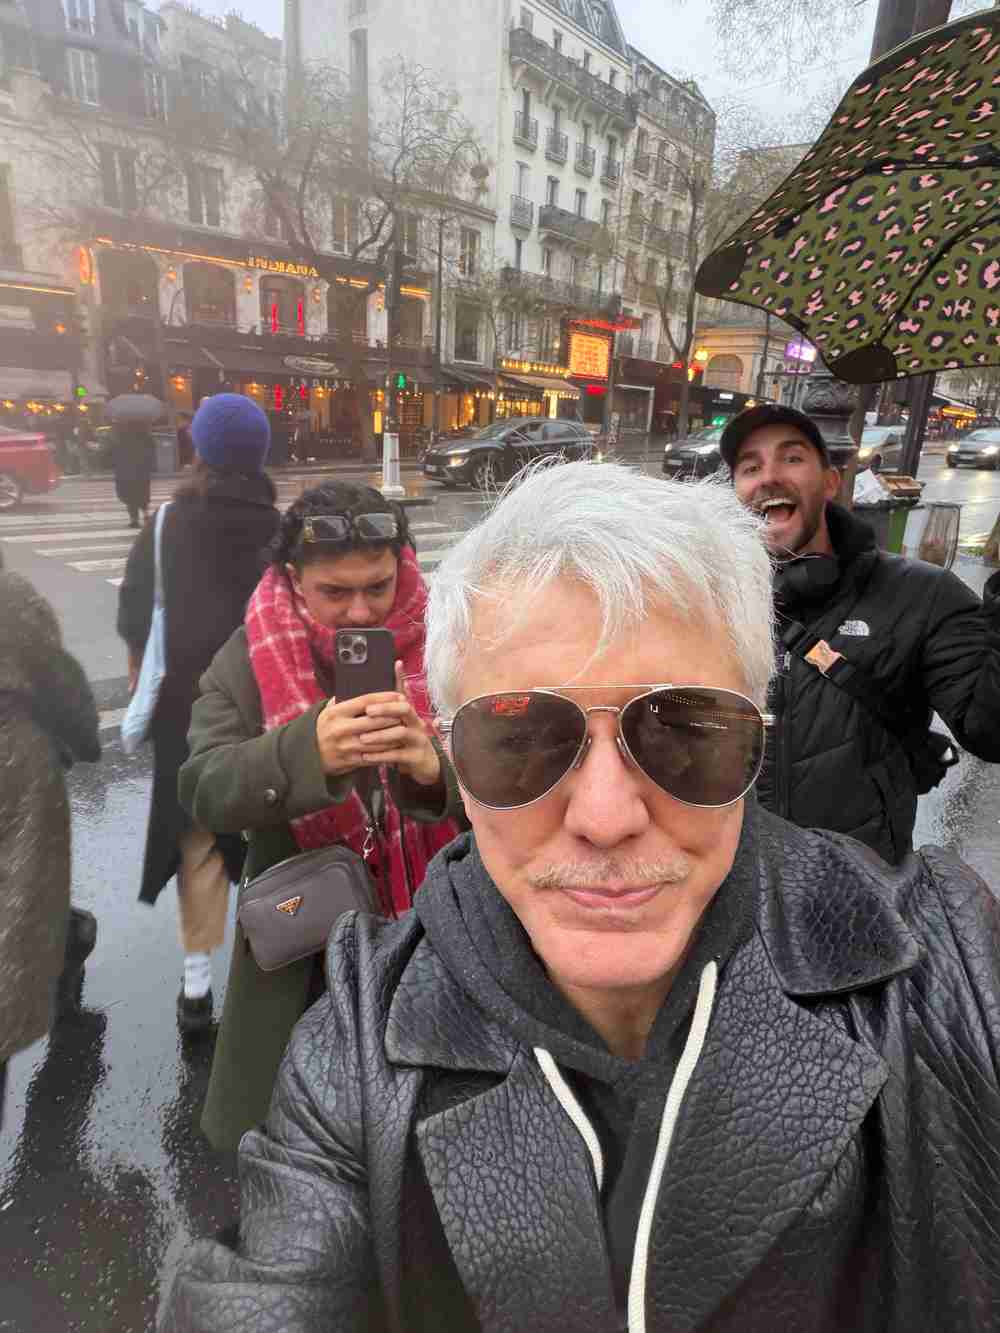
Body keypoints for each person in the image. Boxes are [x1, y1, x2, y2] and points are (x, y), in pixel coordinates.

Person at [162, 462, 1000, 1332]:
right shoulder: (360, 1037)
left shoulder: (942, 971)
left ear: (760, 729)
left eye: (686, 730)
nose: (605, 817)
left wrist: (429, 773)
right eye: (517, 739)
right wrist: (307, 753)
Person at [179, 481, 462, 1149]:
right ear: (293, 578)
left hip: (443, 928)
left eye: (378, 586)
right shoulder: (246, 656)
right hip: (309, 944)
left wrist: (434, 770)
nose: (360, 611)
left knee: (438, 1124)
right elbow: (204, 788)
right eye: (335, 592)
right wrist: (307, 753)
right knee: (309, 1137)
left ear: (402, 564)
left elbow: (513, 771)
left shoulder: (452, 639)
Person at [721, 402, 1000, 865]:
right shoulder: (707, 598)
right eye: (751, 467)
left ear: (832, 482)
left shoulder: (922, 595)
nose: (769, 476)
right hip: (731, 877)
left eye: (792, 458)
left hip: (859, 885)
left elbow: (990, 733)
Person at [117, 394, 281, 1034]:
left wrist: (142, 675)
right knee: (269, 836)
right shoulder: (280, 530)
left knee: (199, 842)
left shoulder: (164, 525)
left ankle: (196, 985)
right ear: (260, 454)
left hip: (183, 709)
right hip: (262, 703)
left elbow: (135, 614)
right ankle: (273, 966)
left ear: (200, 452)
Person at [0, 555, 101, 1130]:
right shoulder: (11, 595)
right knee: (21, 901)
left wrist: (80, 738)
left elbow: (56, 682)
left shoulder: (8, 598)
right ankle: (66, 940)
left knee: (20, 903)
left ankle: (63, 943)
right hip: (17, 773)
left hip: (11, 776)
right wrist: (81, 740)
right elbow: (61, 686)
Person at [109, 419, 156, 528]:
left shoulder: (120, 436)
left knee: (129, 494)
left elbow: (112, 452)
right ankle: (145, 514)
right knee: (142, 491)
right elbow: (151, 451)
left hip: (125, 470)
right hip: (141, 469)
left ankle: (134, 518)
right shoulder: (146, 436)